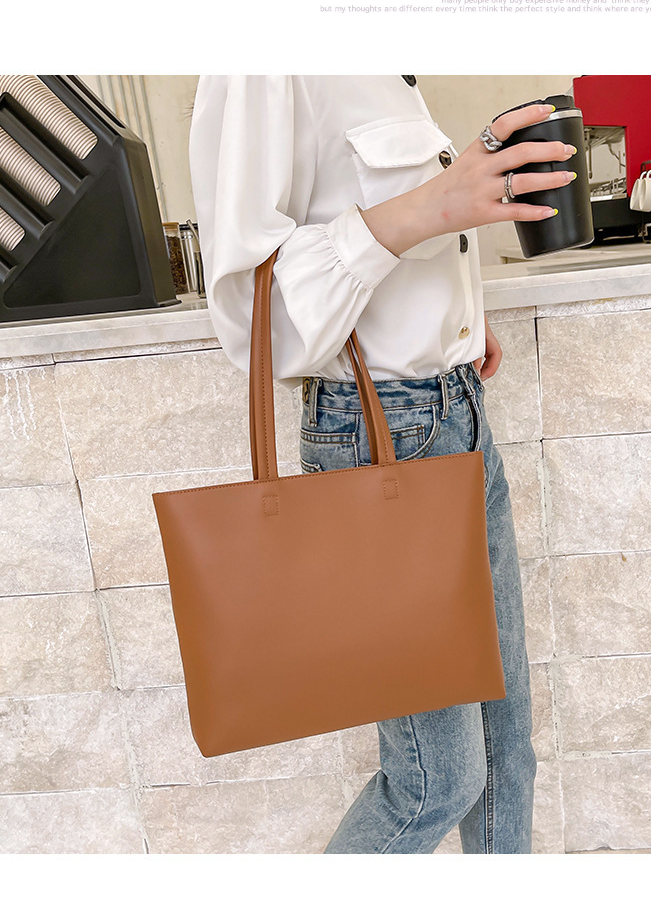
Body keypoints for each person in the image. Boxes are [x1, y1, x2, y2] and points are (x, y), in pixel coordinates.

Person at [188, 75, 576, 854]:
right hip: (379, 437)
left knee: (508, 753)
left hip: (456, 409)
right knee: (438, 779)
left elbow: (371, 243)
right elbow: (256, 311)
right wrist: (435, 205)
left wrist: (455, 322)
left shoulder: (382, 64)